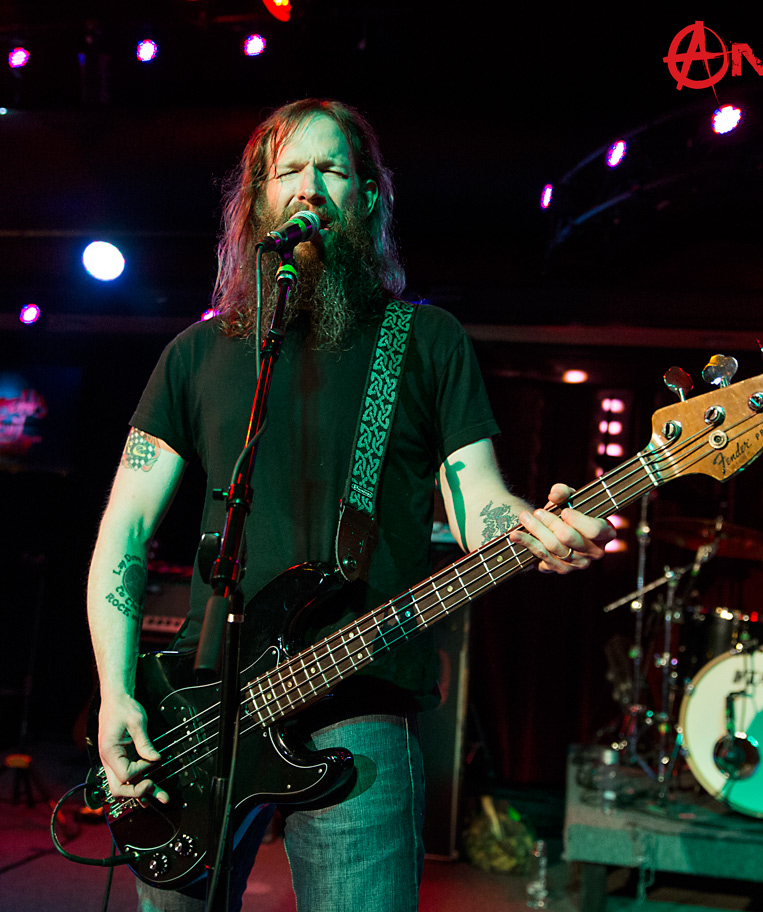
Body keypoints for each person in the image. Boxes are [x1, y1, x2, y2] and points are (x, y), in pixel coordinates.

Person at [86, 98, 615, 912]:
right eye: (289, 171)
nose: (309, 187)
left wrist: (530, 529)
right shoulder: (197, 354)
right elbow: (123, 532)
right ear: (258, 200)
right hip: (200, 705)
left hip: (358, 697)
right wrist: (116, 690)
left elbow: (479, 506)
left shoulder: (424, 341)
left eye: (331, 169)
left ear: (367, 198)